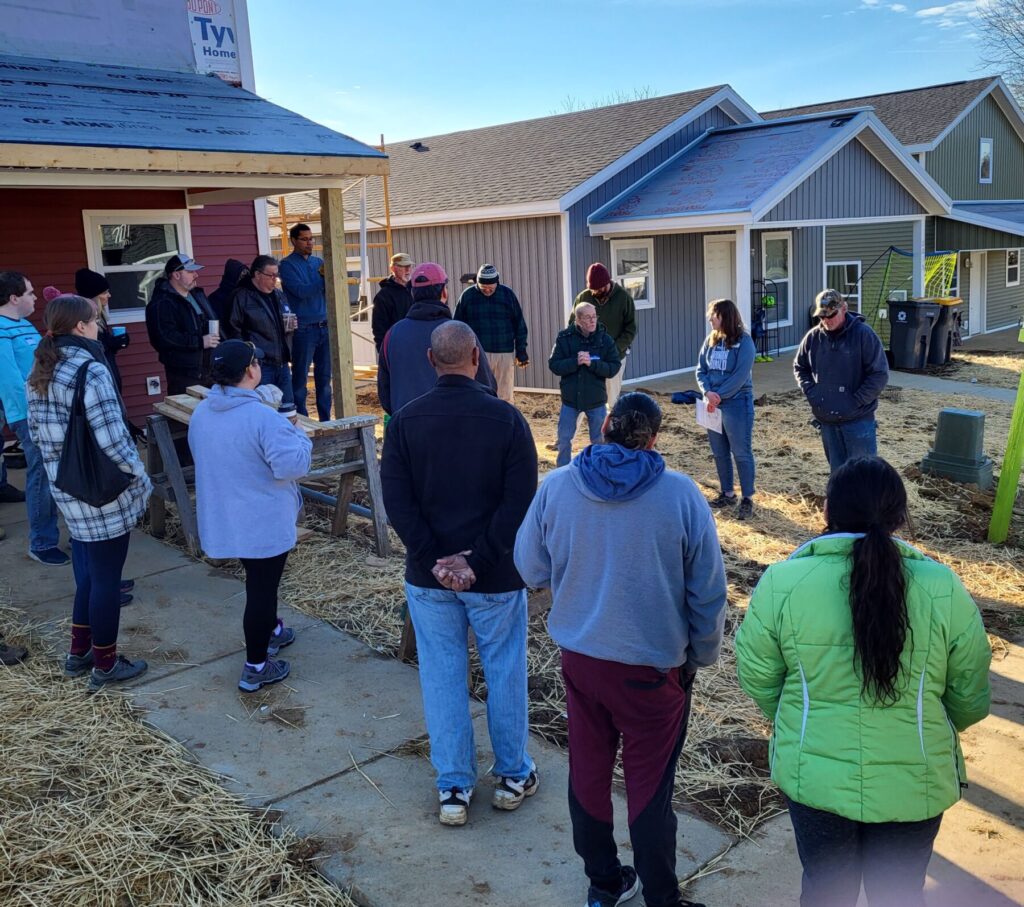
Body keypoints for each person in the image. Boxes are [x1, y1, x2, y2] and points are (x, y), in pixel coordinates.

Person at [735, 456, 991, 907]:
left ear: (828, 512)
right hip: (916, 782)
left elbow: (757, 675)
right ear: (900, 516)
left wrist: (800, 717)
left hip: (814, 777)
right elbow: (970, 694)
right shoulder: (942, 586)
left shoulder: (783, 582)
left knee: (825, 893)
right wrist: (930, 726)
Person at [514, 392, 728, 907]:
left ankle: (603, 884)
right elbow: (709, 592)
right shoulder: (681, 496)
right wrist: (700, 654)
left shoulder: (558, 484)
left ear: (605, 425)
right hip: (653, 671)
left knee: (588, 771)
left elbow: (529, 566)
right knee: (650, 788)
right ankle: (661, 897)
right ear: (654, 439)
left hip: (582, 661)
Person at [381, 321, 539, 827]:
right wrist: (478, 560)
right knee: (505, 672)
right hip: (493, 579)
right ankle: (513, 774)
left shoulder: (404, 422)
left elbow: (397, 504)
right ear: (478, 356)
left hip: (430, 581)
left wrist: (434, 558)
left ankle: (454, 787)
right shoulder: (508, 421)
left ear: (431, 361)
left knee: (443, 678)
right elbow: (520, 504)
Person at [26, 294, 152, 690]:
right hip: (100, 489)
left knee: (90, 578)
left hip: (66, 485)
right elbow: (114, 441)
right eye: (95, 320)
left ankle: (78, 652)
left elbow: (35, 433)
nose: (98, 326)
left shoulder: (41, 367)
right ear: (80, 327)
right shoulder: (90, 370)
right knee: (106, 580)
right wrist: (140, 476)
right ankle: (106, 664)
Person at [189, 339, 312, 692]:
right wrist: (300, 436)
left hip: (227, 514)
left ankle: (272, 629)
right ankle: (256, 665)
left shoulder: (203, 412)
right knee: (262, 588)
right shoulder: (261, 417)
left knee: (257, 578)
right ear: (250, 371)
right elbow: (292, 466)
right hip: (261, 519)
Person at [0, 271, 67, 566]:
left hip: (47, 409)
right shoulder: (1, 331)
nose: (35, 297)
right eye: (29, 293)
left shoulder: (24, 325)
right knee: (40, 475)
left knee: (53, 472)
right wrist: (30, 417)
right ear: (14, 298)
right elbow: (11, 382)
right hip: (30, 415)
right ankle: (41, 542)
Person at [377, 262, 495, 416]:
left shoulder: (392, 335)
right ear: (444, 293)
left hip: (408, 431)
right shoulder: (460, 333)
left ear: (413, 294)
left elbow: (385, 394)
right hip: (457, 429)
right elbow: (487, 386)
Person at [794, 289, 888, 473]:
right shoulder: (813, 338)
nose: (826, 321)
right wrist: (813, 394)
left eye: (831, 315)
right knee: (838, 476)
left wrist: (856, 400)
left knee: (865, 476)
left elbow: (879, 374)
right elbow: (800, 367)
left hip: (858, 421)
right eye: (822, 317)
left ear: (844, 309)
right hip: (827, 421)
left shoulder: (864, 335)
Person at [696, 298, 757, 520]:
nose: (710, 318)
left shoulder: (745, 342)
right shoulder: (710, 340)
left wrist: (718, 396)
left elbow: (740, 376)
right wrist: (707, 393)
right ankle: (727, 492)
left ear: (726, 317)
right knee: (719, 452)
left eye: (714, 314)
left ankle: (747, 497)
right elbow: (700, 370)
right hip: (712, 403)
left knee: (741, 452)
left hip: (737, 404)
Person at [549, 302, 620, 468]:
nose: (592, 320)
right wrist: (575, 362)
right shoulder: (564, 337)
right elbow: (554, 365)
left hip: (596, 400)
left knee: (599, 440)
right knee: (564, 439)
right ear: (578, 320)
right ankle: (563, 471)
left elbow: (613, 367)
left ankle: (600, 469)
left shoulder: (605, 339)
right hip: (570, 400)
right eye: (588, 317)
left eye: (594, 316)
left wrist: (593, 364)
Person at [225, 255, 297, 415]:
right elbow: (233, 330)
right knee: (263, 411)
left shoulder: (278, 295)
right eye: (270, 275)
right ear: (257, 275)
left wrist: (291, 327)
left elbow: (285, 320)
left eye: (277, 275)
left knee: (288, 410)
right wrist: (249, 359)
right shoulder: (241, 297)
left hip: (282, 363)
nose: (275, 279)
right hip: (260, 366)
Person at [453, 263, 529, 405]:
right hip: (477, 353)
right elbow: (457, 326)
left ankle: (504, 422)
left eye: (491, 288)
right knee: (479, 392)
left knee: (504, 394)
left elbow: (519, 324)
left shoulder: (507, 294)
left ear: (497, 283)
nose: (488, 291)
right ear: (477, 284)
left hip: (504, 353)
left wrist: (521, 350)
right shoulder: (467, 296)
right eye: (484, 288)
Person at [145, 255, 220, 395]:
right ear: (177, 274)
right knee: (187, 414)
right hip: (183, 373)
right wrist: (199, 342)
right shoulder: (162, 303)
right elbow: (164, 337)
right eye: (190, 272)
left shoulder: (197, 296)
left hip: (209, 370)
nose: (196, 275)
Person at [279, 223, 332, 421]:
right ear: (294, 240)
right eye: (304, 239)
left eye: (311, 238)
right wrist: (323, 277)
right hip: (303, 329)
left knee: (325, 379)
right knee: (300, 379)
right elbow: (301, 292)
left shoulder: (318, 262)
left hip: (325, 326)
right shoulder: (287, 265)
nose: (309, 242)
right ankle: (302, 421)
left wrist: (330, 277)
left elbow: (330, 289)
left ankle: (326, 421)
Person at [572, 262, 637, 409]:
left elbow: (631, 329)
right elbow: (572, 325)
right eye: (593, 289)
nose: (596, 292)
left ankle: (609, 431)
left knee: (611, 400)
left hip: (613, 358)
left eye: (599, 288)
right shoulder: (583, 298)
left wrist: (614, 348)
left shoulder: (623, 298)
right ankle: (571, 432)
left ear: (607, 283)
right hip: (588, 356)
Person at [74, 268, 130, 394]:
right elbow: (89, 350)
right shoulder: (82, 319)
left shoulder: (100, 317)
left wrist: (118, 343)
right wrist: (109, 344)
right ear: (94, 296)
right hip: (97, 380)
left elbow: (104, 347)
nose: (109, 295)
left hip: (109, 371)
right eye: (105, 292)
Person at [371, 252, 414, 354]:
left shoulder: (417, 290)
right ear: (393, 268)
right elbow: (379, 330)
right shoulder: (383, 297)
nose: (408, 270)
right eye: (403, 266)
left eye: (409, 266)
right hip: (397, 351)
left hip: (417, 347)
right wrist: (385, 356)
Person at [208, 258, 249, 324]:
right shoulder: (215, 299)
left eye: (246, 276)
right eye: (241, 277)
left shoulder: (248, 295)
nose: (244, 280)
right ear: (232, 277)